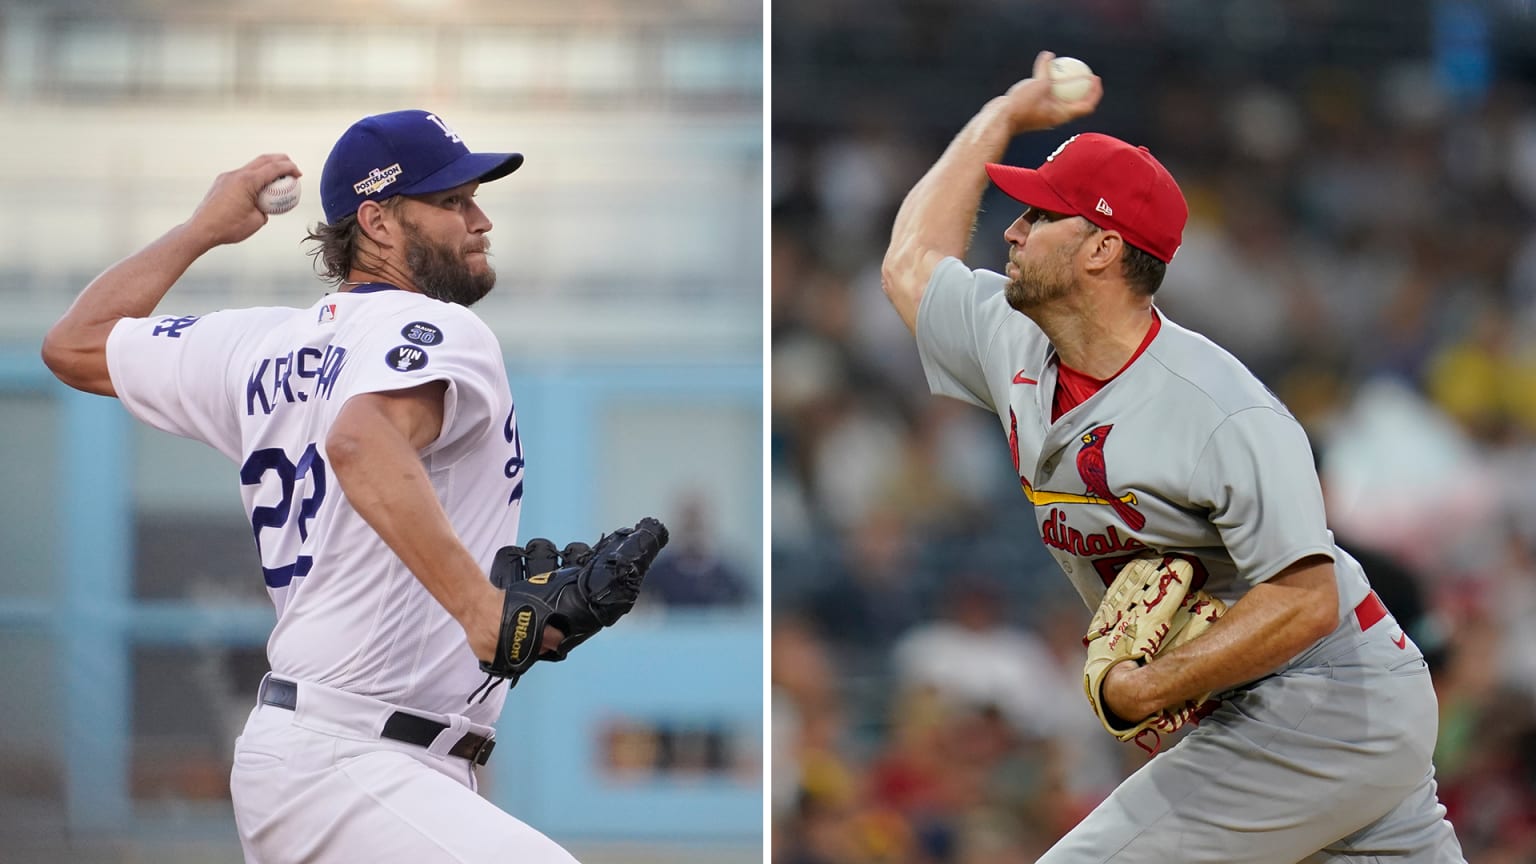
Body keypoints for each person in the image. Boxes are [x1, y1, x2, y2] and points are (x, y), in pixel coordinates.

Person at [879, 52, 1466, 862]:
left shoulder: (1222, 411)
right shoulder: (1014, 340)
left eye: (1041, 217)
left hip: (1323, 695)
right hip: (1286, 713)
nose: (1011, 230)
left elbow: (1305, 599)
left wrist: (1146, 686)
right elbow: (910, 263)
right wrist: (1002, 117)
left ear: (1101, 251)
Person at [42, 109, 612, 862]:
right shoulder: (440, 327)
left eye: (473, 197)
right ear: (375, 221)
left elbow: (75, 344)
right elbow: (359, 441)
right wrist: (482, 610)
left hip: (349, 758)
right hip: (353, 757)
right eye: (451, 202)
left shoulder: (258, 346)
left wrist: (201, 229)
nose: (480, 219)